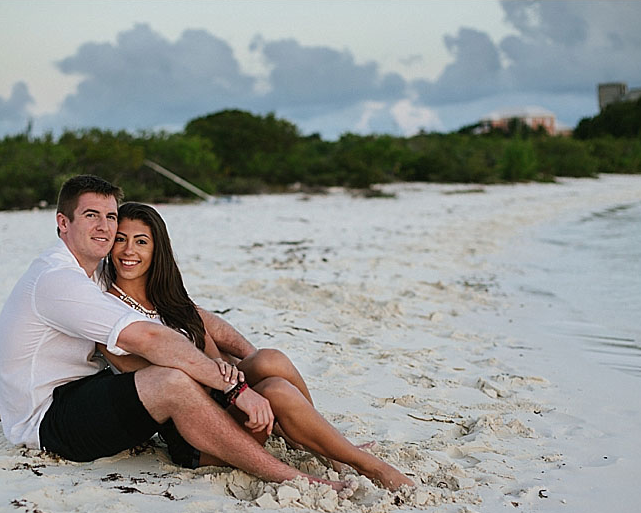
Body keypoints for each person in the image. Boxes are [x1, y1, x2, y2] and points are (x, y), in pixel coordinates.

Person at [0, 174, 350, 492]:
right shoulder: (59, 279)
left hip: (85, 388)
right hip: (46, 420)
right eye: (91, 216)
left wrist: (248, 360)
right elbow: (150, 339)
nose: (104, 227)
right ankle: (288, 476)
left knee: (266, 361)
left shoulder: (96, 270)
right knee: (170, 381)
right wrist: (236, 388)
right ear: (63, 222)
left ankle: (317, 439)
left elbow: (195, 315)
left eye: (110, 217)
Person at [97, 201, 414, 490]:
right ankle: (364, 463)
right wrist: (221, 376)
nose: (129, 251)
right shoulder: (104, 309)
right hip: (196, 430)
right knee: (276, 391)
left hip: (223, 397)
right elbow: (143, 375)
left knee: (270, 361)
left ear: (157, 250)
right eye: (121, 239)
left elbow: (207, 346)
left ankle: (323, 444)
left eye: (141, 241)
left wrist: (221, 368)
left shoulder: (168, 299)